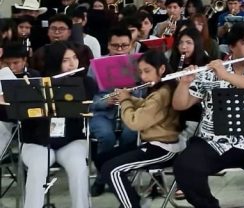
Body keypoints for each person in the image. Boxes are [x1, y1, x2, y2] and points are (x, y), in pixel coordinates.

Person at [172, 22, 244, 208]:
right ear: (232, 47)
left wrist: (226, 76)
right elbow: (180, 104)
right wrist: (184, 83)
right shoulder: (210, 72)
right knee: (185, 167)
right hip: (213, 140)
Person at [99, 50, 183, 208]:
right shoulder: (162, 88)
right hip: (152, 144)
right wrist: (130, 98)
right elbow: (147, 107)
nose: (143, 77)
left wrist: (125, 101)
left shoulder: (162, 94)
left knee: (111, 170)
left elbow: (135, 122)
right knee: (102, 158)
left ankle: (132, 204)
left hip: (163, 148)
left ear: (162, 69)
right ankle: (133, 199)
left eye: (147, 71)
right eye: (140, 72)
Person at [20, 42, 96, 208]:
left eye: (74, 58)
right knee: (38, 168)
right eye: (65, 60)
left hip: (71, 140)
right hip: (37, 142)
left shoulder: (85, 82)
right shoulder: (35, 83)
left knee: (78, 167)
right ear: (55, 62)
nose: (72, 64)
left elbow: (89, 105)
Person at [89, 26, 140, 177]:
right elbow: (88, 98)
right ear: (108, 45)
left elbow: (144, 94)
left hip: (130, 110)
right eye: (115, 45)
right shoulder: (96, 65)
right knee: (106, 136)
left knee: (131, 134)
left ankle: (122, 172)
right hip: (102, 113)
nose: (119, 49)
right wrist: (105, 102)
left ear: (131, 45)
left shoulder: (139, 64)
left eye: (124, 45)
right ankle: (103, 175)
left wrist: (130, 94)